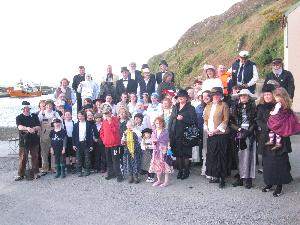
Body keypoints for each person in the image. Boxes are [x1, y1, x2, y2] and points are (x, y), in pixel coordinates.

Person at [258, 86, 294, 197]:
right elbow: (258, 120)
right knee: (267, 162)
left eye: (269, 94)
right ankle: (269, 183)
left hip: (279, 137)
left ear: (273, 95)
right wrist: (268, 127)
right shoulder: (260, 107)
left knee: (278, 161)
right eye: (265, 94)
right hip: (266, 137)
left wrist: (276, 127)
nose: (267, 96)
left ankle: (279, 185)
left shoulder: (280, 105)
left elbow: (286, 118)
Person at [230, 89, 257, 189]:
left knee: (249, 156)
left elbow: (255, 122)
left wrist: (248, 132)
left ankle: (248, 179)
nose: (243, 97)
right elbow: (231, 122)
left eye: (245, 96)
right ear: (239, 98)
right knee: (239, 156)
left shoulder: (254, 108)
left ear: (249, 97)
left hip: (250, 134)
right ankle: (241, 177)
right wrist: (239, 129)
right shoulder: (234, 108)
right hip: (238, 133)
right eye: (241, 96)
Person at [203, 87, 229, 188]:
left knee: (221, 156)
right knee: (213, 156)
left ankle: (222, 178)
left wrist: (215, 131)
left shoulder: (224, 105)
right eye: (214, 94)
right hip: (211, 134)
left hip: (221, 135)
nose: (216, 96)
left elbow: (225, 120)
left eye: (218, 94)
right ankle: (216, 176)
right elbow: (205, 119)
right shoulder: (208, 106)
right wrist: (207, 130)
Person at [168, 89, 197, 180]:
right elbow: (171, 119)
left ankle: (186, 171)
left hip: (186, 135)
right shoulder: (175, 107)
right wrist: (169, 132)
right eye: (179, 97)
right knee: (178, 154)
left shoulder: (191, 108)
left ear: (186, 98)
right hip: (175, 133)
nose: (180, 98)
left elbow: (193, 121)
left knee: (185, 155)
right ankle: (180, 170)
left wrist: (183, 118)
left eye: (182, 97)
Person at [15, 101, 41, 181]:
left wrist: (34, 128)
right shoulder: (19, 117)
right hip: (24, 141)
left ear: (29, 108)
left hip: (34, 140)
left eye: (27, 108)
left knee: (35, 157)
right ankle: (20, 174)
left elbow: (39, 126)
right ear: (22, 109)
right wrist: (28, 128)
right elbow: (19, 127)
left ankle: (35, 173)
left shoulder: (34, 116)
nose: (26, 109)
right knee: (23, 158)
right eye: (24, 108)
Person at [38, 99, 61, 175]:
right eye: (47, 105)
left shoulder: (56, 114)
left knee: (53, 153)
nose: (49, 107)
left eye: (50, 105)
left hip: (54, 136)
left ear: (53, 106)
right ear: (45, 106)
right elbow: (38, 124)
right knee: (44, 153)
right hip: (44, 137)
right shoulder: (41, 114)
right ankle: (45, 168)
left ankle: (54, 168)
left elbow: (60, 123)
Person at [100, 105, 123, 182]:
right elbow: (102, 132)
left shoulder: (115, 120)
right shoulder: (103, 122)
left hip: (114, 145)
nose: (107, 115)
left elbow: (115, 130)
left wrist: (110, 122)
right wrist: (104, 140)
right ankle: (110, 174)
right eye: (105, 113)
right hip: (107, 144)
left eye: (108, 113)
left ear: (110, 112)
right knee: (108, 160)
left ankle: (119, 175)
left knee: (115, 160)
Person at [149, 117, 173, 187]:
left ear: (163, 123)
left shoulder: (165, 131)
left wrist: (168, 148)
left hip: (163, 150)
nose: (158, 124)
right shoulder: (154, 131)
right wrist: (153, 142)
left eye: (160, 123)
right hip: (156, 151)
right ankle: (159, 180)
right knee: (157, 165)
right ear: (155, 124)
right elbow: (152, 139)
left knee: (165, 165)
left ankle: (166, 181)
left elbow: (167, 140)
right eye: (157, 123)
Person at [72, 110, 94, 177]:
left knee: (87, 157)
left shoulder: (88, 124)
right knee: (78, 158)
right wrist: (73, 144)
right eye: (79, 116)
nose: (80, 117)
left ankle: (87, 170)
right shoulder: (76, 125)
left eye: (81, 116)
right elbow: (74, 135)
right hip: (78, 143)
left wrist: (91, 145)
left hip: (86, 143)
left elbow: (90, 136)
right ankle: (79, 171)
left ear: (84, 116)